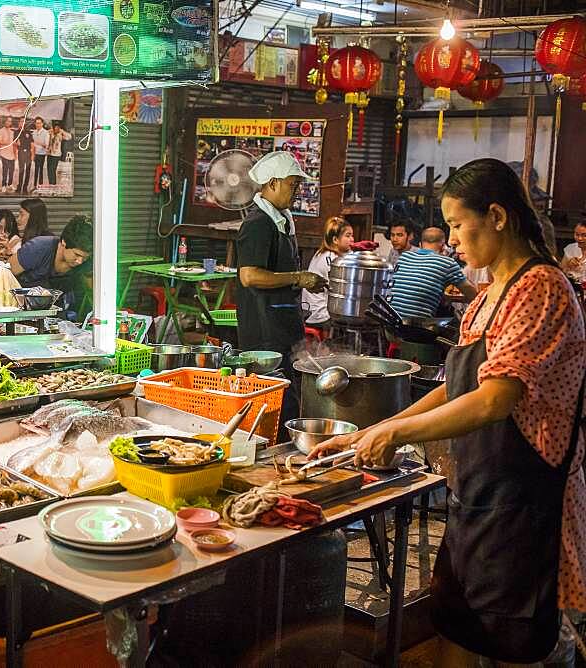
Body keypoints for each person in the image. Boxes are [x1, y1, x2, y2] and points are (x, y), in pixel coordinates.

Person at [313, 157, 586, 665]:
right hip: (479, 496)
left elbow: (495, 397)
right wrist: (371, 431)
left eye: (458, 225)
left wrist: (397, 437)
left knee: (515, 647)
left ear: (498, 217)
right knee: (456, 627)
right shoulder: (488, 298)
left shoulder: (541, 288)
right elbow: (455, 387)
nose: (452, 239)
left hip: (524, 508)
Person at [236, 151, 326, 425]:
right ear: (273, 183)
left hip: (282, 322)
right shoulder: (258, 223)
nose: (296, 191)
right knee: (272, 396)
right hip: (264, 329)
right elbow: (249, 276)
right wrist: (298, 277)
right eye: (292, 184)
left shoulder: (281, 218)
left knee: (288, 392)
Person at [388, 230, 476, 318]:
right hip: (418, 327)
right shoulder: (447, 263)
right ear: (443, 246)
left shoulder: (404, 257)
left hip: (390, 322)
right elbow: (473, 295)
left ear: (420, 245)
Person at [10, 216, 92, 301]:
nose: (80, 261)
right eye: (76, 254)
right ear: (64, 242)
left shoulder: (87, 263)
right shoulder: (37, 248)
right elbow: (4, 274)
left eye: (85, 257)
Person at [302, 216, 353, 328]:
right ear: (335, 240)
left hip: (310, 311)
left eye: (352, 236)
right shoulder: (332, 259)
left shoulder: (322, 253)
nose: (352, 239)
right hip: (320, 315)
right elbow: (343, 290)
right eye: (348, 236)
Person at [46, 120, 71, 186]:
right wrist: (49, 131)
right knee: (49, 170)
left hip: (56, 155)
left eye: (58, 127)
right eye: (55, 127)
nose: (56, 128)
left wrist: (62, 131)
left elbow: (69, 137)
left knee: (52, 169)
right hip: (50, 153)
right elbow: (45, 134)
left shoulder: (60, 135)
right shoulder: (50, 133)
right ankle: (50, 183)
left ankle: (53, 184)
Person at [0, 117, 17, 193]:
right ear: (5, 122)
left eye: (10, 121)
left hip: (11, 154)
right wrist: (7, 143)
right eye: (8, 121)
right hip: (3, 153)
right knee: (5, 170)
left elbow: (14, 144)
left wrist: (15, 153)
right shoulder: (0, 131)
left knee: (12, 170)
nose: (9, 122)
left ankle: (10, 184)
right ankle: (3, 185)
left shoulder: (12, 132)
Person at [31, 117, 48, 189]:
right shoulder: (34, 132)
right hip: (35, 153)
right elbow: (32, 143)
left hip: (41, 154)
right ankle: (35, 185)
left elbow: (46, 145)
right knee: (35, 169)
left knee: (40, 170)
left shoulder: (46, 132)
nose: (38, 125)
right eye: (36, 123)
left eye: (39, 123)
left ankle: (40, 186)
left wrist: (39, 143)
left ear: (42, 124)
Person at [17, 124, 34, 194]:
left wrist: (32, 154)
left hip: (28, 153)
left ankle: (25, 188)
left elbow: (32, 144)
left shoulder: (29, 133)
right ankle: (19, 187)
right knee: (21, 171)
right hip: (21, 153)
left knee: (28, 171)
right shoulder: (18, 133)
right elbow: (16, 142)